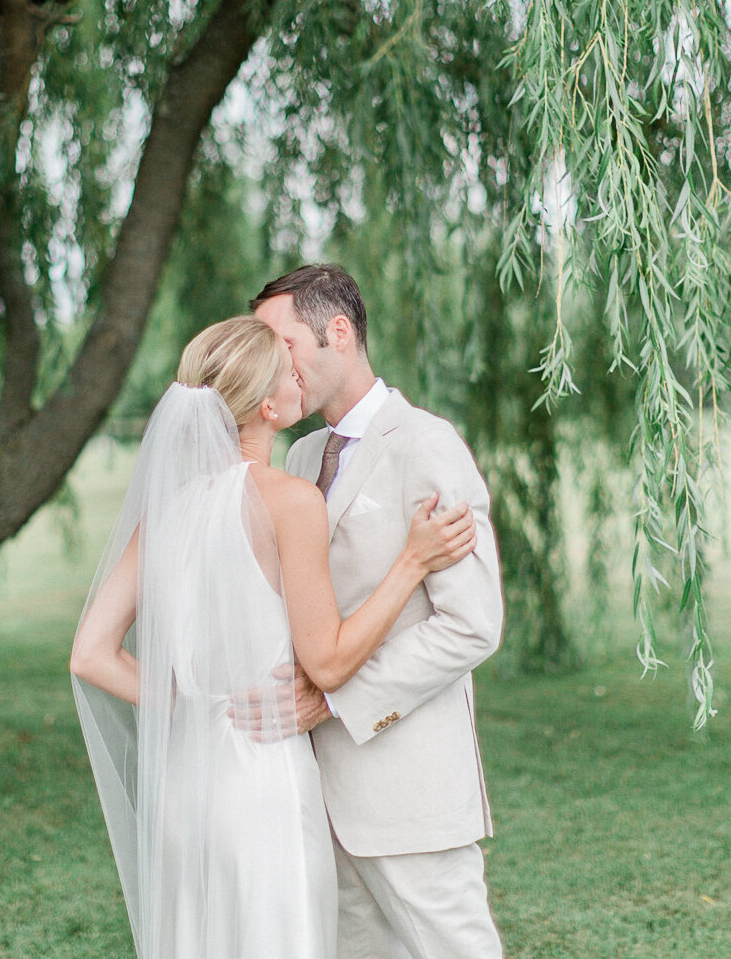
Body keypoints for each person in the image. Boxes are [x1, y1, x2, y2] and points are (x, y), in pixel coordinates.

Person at [69, 315, 477, 959]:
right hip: (263, 785)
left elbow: (89, 652)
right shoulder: (289, 499)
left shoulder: (166, 513)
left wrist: (191, 705)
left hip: (188, 787)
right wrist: (411, 565)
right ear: (267, 405)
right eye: (288, 370)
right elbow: (330, 660)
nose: (300, 375)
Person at [252, 263, 506, 959]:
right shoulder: (299, 457)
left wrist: (335, 702)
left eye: (282, 343)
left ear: (337, 332)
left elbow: (472, 625)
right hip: (312, 795)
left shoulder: (426, 445)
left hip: (408, 793)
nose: (273, 365)